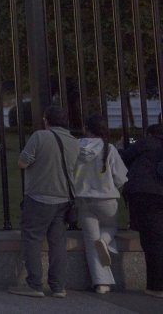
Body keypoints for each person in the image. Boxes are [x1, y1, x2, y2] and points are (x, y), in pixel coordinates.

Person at [9, 105, 79, 299]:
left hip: (39, 196)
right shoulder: (74, 141)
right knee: (58, 243)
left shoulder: (40, 136)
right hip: (64, 198)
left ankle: (34, 284)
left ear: (46, 120)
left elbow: (23, 162)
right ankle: (58, 286)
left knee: (32, 238)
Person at [73, 114, 126, 294]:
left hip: (83, 198)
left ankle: (102, 283)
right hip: (107, 199)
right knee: (111, 227)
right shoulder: (109, 148)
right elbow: (120, 177)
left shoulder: (75, 147)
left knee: (91, 241)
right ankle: (104, 240)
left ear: (86, 128)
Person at [121, 122, 163, 298]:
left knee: (152, 241)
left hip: (146, 194)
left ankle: (156, 286)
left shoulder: (146, 143)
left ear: (150, 133)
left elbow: (123, 158)